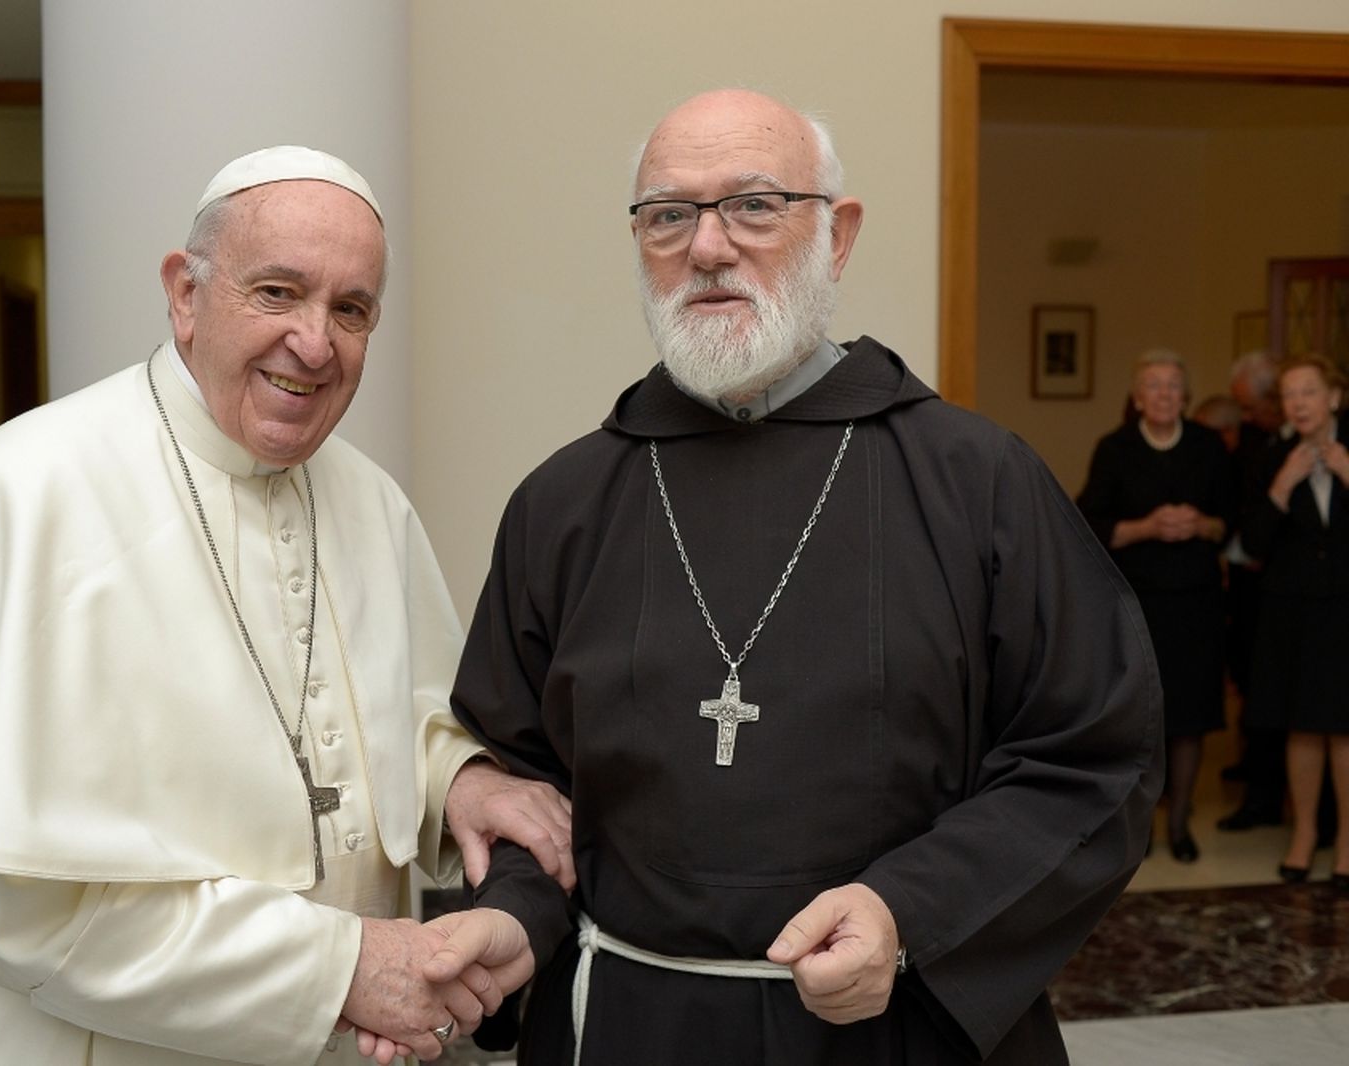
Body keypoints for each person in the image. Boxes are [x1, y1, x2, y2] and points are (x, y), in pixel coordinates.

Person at [427, 90, 1162, 1065]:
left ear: (837, 233)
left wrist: (906, 910)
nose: (708, 247)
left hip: (894, 1026)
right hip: (627, 1026)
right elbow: (517, 781)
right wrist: (514, 918)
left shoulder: (976, 480)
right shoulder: (562, 502)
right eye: (668, 214)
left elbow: (1092, 759)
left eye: (754, 205)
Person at [0, 146, 567, 1066]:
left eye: (351, 310)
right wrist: (340, 967)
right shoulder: (22, 493)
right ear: (186, 293)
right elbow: (21, 903)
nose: (315, 344)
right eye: (277, 292)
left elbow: (394, 716)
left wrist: (460, 786)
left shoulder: (370, 500)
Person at [1077, 350, 1233, 863]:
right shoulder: (1114, 449)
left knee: (1190, 714)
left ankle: (1183, 820)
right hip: (1136, 600)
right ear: (1138, 397)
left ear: (1185, 397)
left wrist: (1202, 525)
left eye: (1173, 386)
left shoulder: (1209, 447)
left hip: (1197, 600)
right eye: (1154, 386)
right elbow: (1090, 524)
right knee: (1141, 715)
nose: (1164, 394)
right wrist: (1147, 527)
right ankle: (1138, 826)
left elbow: (1234, 522)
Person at [1241, 354, 1349, 888]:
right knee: (1302, 727)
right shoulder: (1270, 456)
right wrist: (1282, 487)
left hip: (1346, 608)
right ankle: (1304, 833)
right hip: (1293, 611)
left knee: (1345, 730)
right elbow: (1250, 544)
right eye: (1289, 395)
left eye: (1308, 392)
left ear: (1333, 397)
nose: (1298, 403)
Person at [1217, 350, 1289, 830]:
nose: (1245, 416)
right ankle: (1257, 780)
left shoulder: (1291, 450)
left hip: (1282, 590)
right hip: (1249, 588)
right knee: (1252, 683)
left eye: (1250, 406)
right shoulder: (1260, 445)